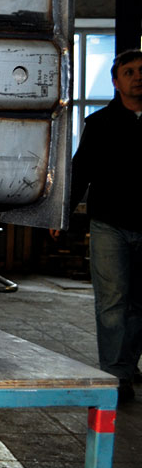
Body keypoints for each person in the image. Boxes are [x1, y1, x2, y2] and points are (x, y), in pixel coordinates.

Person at [67, 48, 142, 405]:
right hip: (109, 224)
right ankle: (116, 374)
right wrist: (63, 214)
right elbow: (81, 170)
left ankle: (126, 365)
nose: (137, 76)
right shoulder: (99, 124)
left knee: (139, 305)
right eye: (129, 72)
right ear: (116, 82)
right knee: (112, 301)